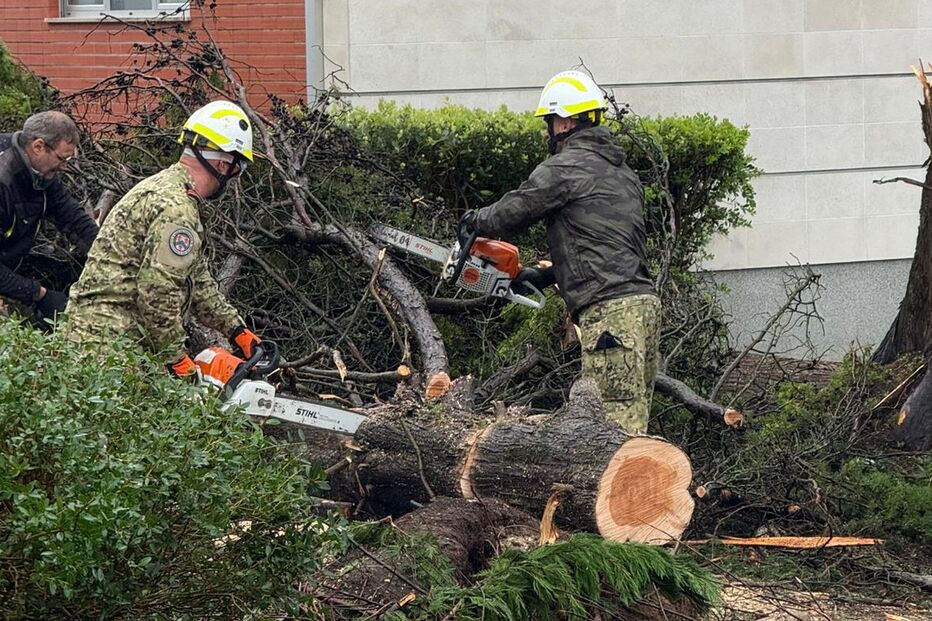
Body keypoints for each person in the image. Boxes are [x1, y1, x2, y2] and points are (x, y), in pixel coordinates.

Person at [462, 70, 661, 434]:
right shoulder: (622, 173)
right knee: (632, 422)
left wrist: (475, 221)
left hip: (612, 313)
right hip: (643, 307)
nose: (547, 132)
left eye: (550, 122)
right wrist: (549, 274)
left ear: (566, 121)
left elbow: (517, 209)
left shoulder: (566, 167)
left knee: (607, 430)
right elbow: (609, 245)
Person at [64, 100, 262, 379]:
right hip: (109, 350)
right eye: (237, 170)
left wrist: (235, 329)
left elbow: (197, 278)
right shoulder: (177, 210)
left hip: (95, 338)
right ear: (223, 164)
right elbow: (157, 292)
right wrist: (175, 357)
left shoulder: (165, 189)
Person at [0, 111, 98, 327]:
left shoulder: (39, 172)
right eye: (61, 159)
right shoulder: (4, 179)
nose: (64, 166)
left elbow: (71, 216)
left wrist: (105, 253)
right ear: (38, 146)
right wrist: (39, 294)